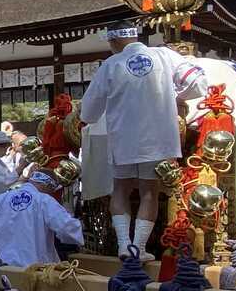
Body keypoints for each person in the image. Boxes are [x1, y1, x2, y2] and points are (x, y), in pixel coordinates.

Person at [81, 22, 208, 258]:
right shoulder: (164, 55)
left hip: (123, 139)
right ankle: (138, 248)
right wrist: (175, 97)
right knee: (149, 191)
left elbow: (88, 113)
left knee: (120, 189)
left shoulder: (111, 65)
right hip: (158, 139)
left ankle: (123, 245)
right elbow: (199, 83)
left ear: (114, 41)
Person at [0, 169, 84, 267]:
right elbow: (66, 228)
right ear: (49, 186)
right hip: (32, 269)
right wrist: (80, 231)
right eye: (52, 190)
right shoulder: (45, 201)